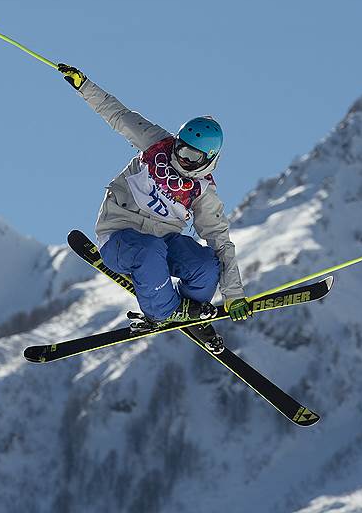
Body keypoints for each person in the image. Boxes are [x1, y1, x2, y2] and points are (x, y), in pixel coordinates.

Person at [56, 63, 253, 354]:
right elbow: (118, 114)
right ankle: (163, 312)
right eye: (180, 148)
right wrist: (84, 85)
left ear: (208, 159)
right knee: (149, 250)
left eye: (191, 155)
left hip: (162, 243)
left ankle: (190, 310)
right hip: (120, 238)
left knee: (205, 264)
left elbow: (220, 240)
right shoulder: (157, 144)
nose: (181, 158)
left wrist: (233, 293)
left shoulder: (203, 192)